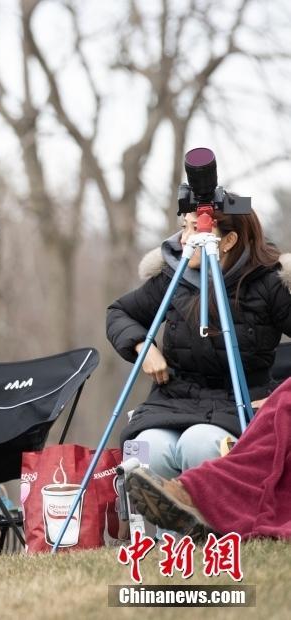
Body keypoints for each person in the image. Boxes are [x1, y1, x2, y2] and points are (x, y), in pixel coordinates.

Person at [108, 207, 291, 482]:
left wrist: (280, 398)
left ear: (228, 241)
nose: (184, 239)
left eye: (197, 229)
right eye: (185, 227)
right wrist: (142, 348)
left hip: (239, 406)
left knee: (199, 444)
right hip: (172, 402)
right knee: (144, 451)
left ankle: (214, 526)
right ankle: (166, 527)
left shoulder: (268, 283)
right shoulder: (173, 276)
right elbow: (119, 312)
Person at [125, 374, 291, 542]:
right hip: (171, 401)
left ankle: (199, 506)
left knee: (199, 443)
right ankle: (167, 538)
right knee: (148, 447)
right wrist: (136, 347)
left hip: (234, 404)